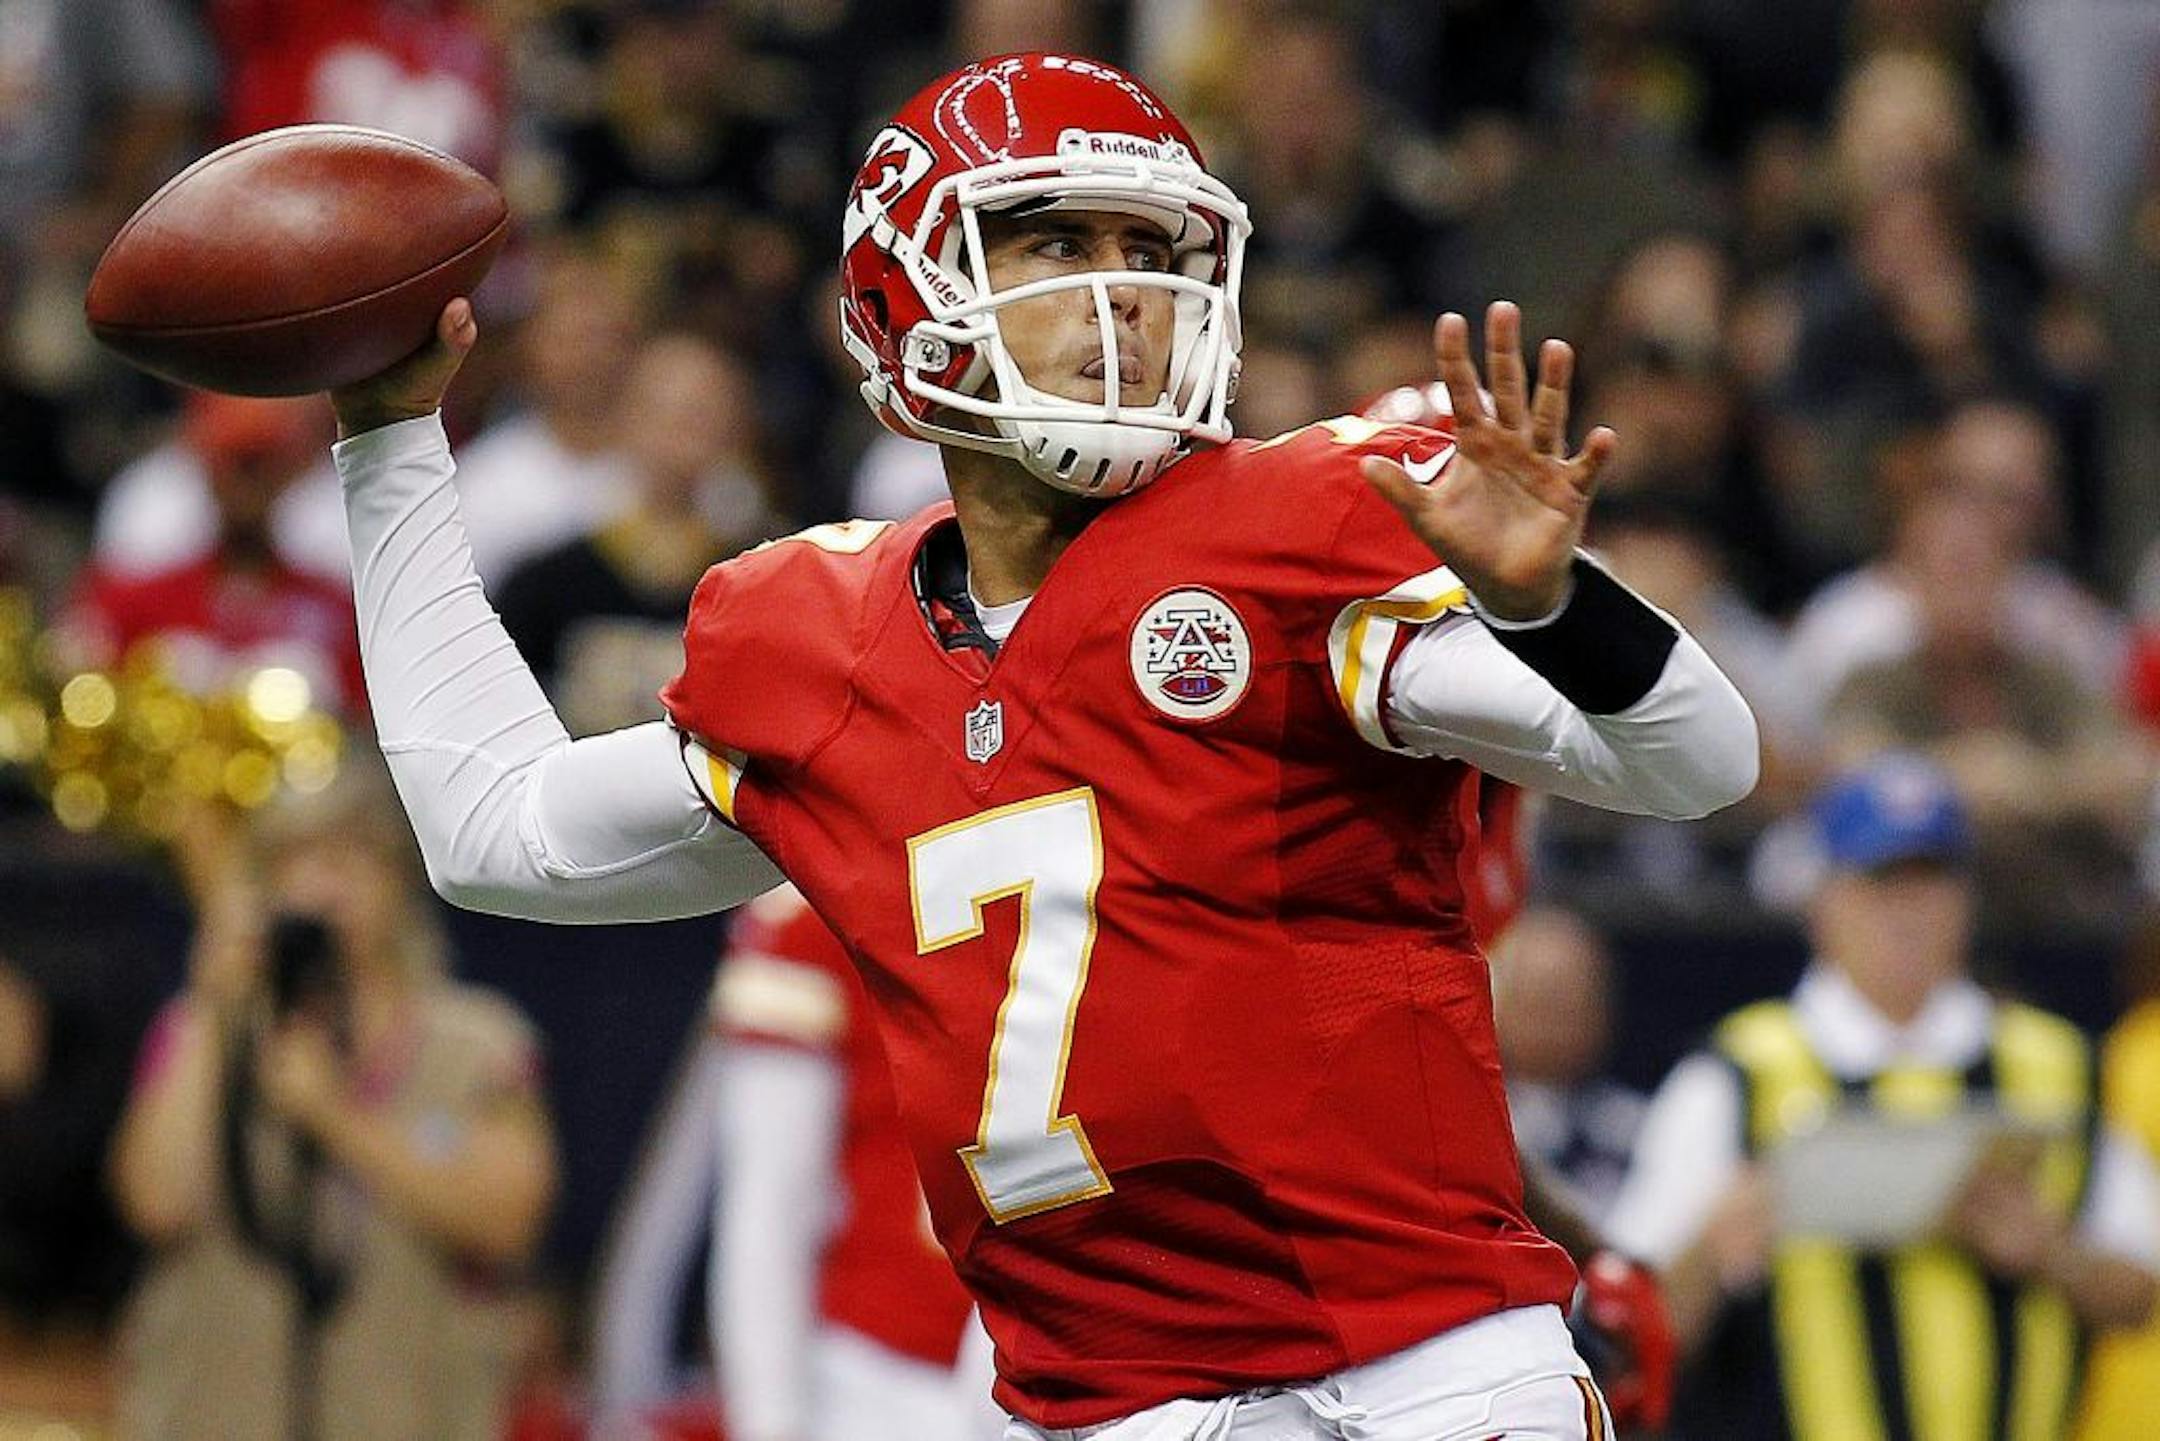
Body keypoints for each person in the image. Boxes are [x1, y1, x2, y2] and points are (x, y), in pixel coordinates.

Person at [323, 52, 1757, 1438]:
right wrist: (389, 444)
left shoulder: (1299, 529)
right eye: (1053, 238)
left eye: (1150, 246)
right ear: (905, 286)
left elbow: (1697, 765)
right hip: (1093, 1401)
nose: (1120, 295)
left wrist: (1550, 604)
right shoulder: (815, 638)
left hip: (1413, 1383)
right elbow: (492, 830)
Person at [1605, 754, 2160, 1440]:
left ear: (1967, 899)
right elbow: (1626, 1330)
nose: (1908, 914)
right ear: (1825, 898)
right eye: (1881, 883)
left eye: (1929, 884)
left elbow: (2142, 1293)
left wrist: (2054, 1252)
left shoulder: (2055, 1065)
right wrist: (1716, 1249)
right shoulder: (1738, 1071)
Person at [108, 766, 557, 1440]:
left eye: (349, 860)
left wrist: (336, 1116)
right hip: (214, 1413)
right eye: (296, 861)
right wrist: (211, 1003)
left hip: (409, 1413)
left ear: (398, 881)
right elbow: (154, 1201)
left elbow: (508, 1217)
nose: (323, 887)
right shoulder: (205, 1030)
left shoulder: (476, 1042)